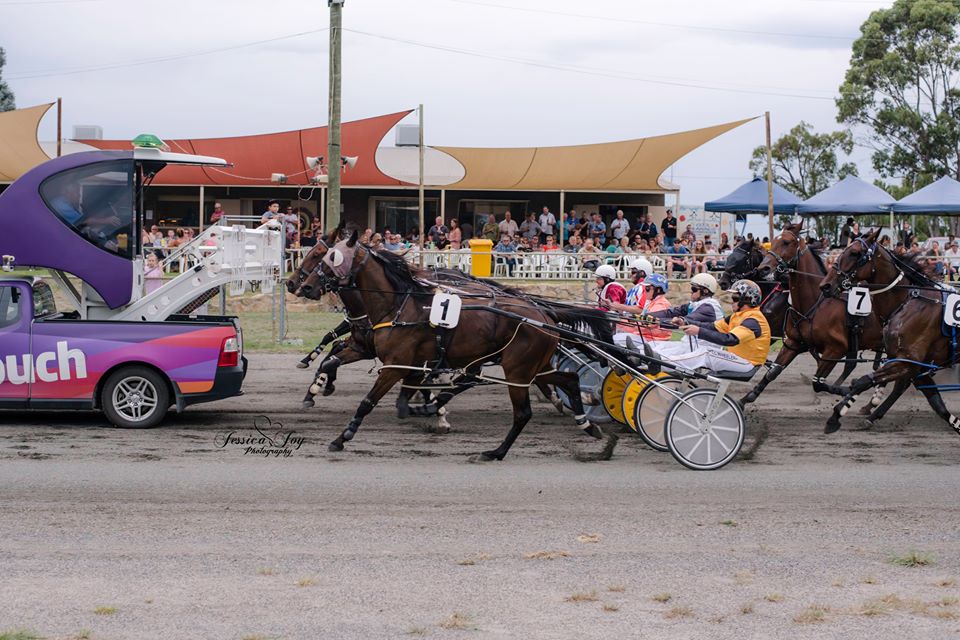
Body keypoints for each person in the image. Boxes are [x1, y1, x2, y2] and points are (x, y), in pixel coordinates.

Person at [649, 279, 771, 377]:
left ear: (748, 300)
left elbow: (729, 339)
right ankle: (659, 361)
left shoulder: (754, 320)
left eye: (735, 298)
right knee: (704, 351)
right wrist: (684, 322)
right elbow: (713, 327)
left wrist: (699, 331)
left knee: (706, 353)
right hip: (737, 359)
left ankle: (660, 363)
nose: (731, 301)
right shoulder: (737, 316)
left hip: (747, 364)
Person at [611, 273, 672, 344]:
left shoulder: (660, 305)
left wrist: (619, 321)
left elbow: (644, 326)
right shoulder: (653, 302)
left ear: (658, 290)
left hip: (652, 340)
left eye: (647, 289)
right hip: (645, 337)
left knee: (613, 339)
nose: (644, 292)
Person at [650, 273, 724, 326]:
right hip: (694, 343)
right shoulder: (696, 304)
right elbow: (670, 313)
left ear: (705, 291)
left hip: (706, 346)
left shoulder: (709, 307)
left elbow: (688, 319)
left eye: (694, 289)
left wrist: (654, 320)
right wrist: (648, 316)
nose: (691, 291)